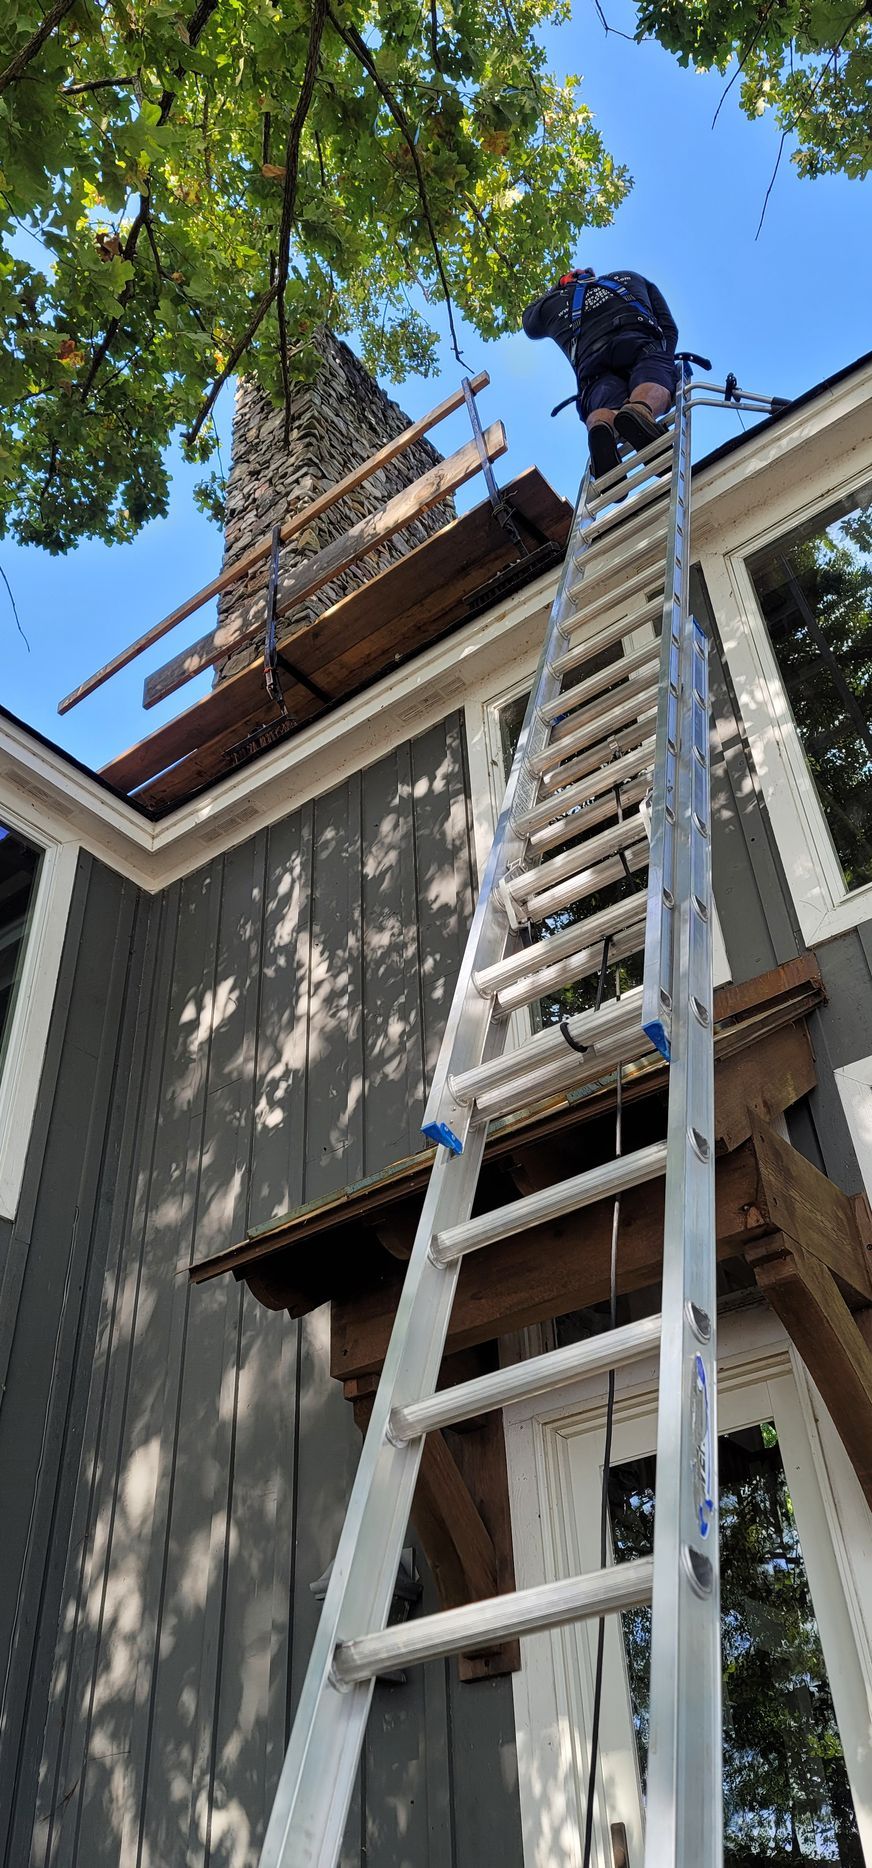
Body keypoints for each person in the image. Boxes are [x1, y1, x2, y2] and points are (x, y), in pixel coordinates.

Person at [522, 267, 679, 482]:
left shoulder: (552, 305)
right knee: (651, 376)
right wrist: (663, 360)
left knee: (603, 404)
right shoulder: (628, 277)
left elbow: (529, 321)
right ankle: (640, 410)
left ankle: (601, 426)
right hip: (638, 343)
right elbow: (668, 326)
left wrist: (557, 285)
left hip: (591, 365)